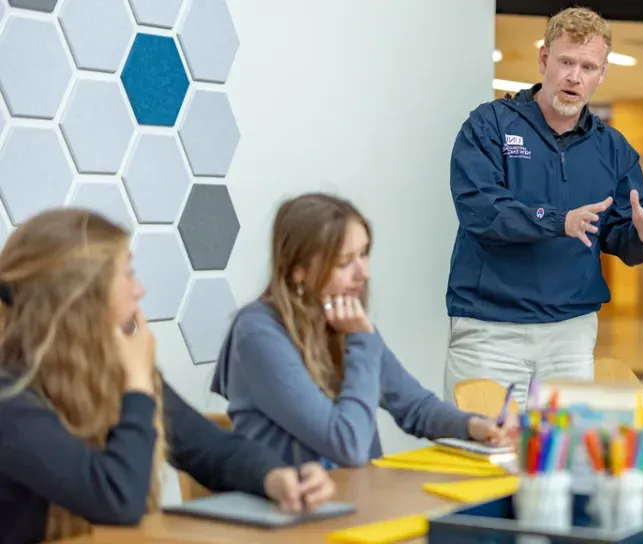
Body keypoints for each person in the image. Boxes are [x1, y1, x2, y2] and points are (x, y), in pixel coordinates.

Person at [0, 209, 335, 544]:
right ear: (79, 297)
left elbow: (213, 449)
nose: (140, 290)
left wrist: (274, 478)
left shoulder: (110, 373)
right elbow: (116, 498)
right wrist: (137, 386)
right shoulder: (9, 397)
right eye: (127, 274)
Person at [443, 7, 643, 407]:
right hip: (490, 330)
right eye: (565, 62)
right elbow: (482, 212)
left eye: (588, 66)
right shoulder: (489, 126)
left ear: (602, 74)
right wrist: (560, 221)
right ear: (544, 59)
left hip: (571, 333)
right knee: (477, 455)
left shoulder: (613, 149)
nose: (574, 77)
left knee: (564, 464)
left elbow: (620, 236)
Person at [210, 193, 509, 470]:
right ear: (298, 269)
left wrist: (473, 425)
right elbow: (348, 445)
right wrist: (362, 341)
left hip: (355, 500)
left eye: (364, 254)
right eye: (344, 262)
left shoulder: (342, 320)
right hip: (291, 511)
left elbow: (415, 407)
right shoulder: (258, 331)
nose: (363, 273)